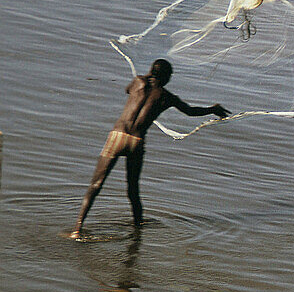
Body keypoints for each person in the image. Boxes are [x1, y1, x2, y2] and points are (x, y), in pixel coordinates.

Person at [69, 59, 229, 238]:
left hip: (117, 136)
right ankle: (138, 228)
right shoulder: (167, 97)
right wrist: (212, 109)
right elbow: (191, 111)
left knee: (96, 184)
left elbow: (127, 90)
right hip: (136, 141)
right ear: (167, 77)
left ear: (151, 72)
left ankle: (77, 229)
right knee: (133, 189)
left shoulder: (138, 81)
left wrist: (148, 75)